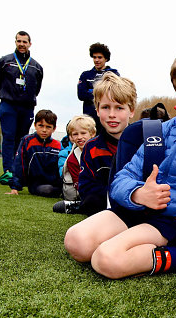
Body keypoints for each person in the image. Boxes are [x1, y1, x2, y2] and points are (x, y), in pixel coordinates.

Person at [64, 45, 176, 279]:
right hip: (141, 209)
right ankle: (135, 240)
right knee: (76, 241)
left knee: (106, 259)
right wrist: (139, 194)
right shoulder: (161, 130)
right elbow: (122, 179)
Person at [55, 73, 131, 215]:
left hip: (138, 208)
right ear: (97, 110)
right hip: (105, 211)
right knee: (77, 231)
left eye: (119, 108)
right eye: (105, 107)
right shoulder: (91, 147)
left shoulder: (144, 143)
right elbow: (87, 190)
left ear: (131, 111)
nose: (112, 114)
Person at [0, 31, 44, 185]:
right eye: (19, 41)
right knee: (8, 137)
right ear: (15, 42)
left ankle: (18, 171)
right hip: (8, 105)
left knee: (22, 140)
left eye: (25, 41)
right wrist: (8, 95)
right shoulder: (5, 61)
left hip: (26, 107)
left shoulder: (36, 67)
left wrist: (25, 98)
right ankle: (8, 171)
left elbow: (37, 88)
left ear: (30, 43)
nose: (21, 44)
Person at [6, 109, 61, 197]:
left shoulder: (58, 145)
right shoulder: (27, 141)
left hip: (55, 183)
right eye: (41, 126)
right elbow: (19, 164)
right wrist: (15, 187)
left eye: (48, 127)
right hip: (36, 185)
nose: (44, 130)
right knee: (48, 190)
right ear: (35, 125)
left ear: (54, 128)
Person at [78, 42, 120, 135]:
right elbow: (81, 94)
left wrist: (91, 91)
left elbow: (113, 93)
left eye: (99, 57)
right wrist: (101, 91)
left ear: (106, 59)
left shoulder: (113, 73)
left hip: (107, 117)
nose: (96, 60)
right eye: (94, 57)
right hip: (89, 118)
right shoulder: (85, 75)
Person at [57, 115, 96, 203]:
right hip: (75, 191)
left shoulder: (97, 150)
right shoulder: (73, 158)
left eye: (83, 133)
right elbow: (77, 182)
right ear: (71, 137)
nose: (79, 137)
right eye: (75, 134)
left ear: (92, 133)